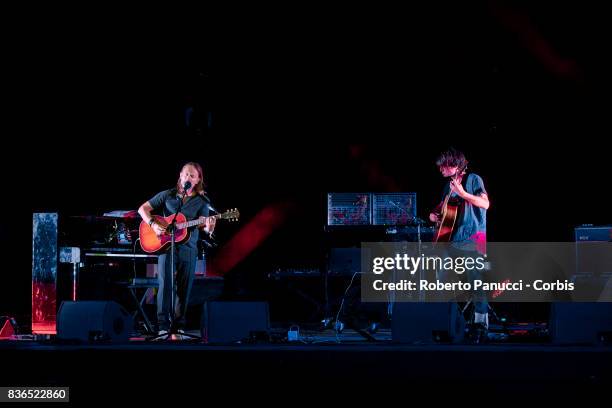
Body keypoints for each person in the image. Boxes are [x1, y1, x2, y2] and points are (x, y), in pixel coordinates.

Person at [138, 162, 216, 337]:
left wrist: (209, 229)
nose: (188, 178)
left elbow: (204, 224)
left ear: (197, 181)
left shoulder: (202, 201)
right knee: (165, 285)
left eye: (192, 176)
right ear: (180, 175)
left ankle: (179, 326)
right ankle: (163, 326)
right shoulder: (168, 195)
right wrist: (153, 225)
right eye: (186, 174)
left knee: (183, 288)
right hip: (166, 246)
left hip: (189, 248)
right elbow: (142, 209)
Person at [429, 148, 490, 341]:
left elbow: (485, 204)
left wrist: (463, 193)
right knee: (442, 281)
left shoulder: (473, 179)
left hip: (475, 239)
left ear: (454, 165)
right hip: (451, 241)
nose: (440, 170)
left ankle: (480, 324)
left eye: (443, 167)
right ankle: (449, 322)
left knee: (476, 282)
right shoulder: (448, 186)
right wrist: (434, 214)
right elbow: (442, 208)